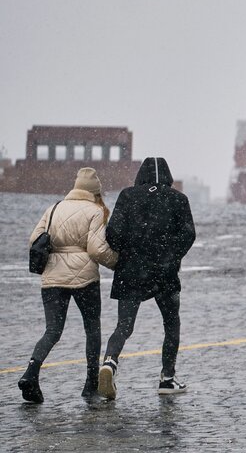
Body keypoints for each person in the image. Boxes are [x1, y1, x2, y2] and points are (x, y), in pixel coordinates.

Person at [18, 168, 119, 403]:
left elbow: (34, 240)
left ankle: (31, 372)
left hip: (52, 277)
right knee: (92, 330)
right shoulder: (95, 211)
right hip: (86, 279)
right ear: (95, 191)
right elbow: (96, 249)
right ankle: (90, 384)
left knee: (52, 331)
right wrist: (116, 263)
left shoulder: (54, 208)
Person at [98, 157, 195, 400]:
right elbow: (188, 235)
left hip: (131, 271)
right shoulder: (178, 199)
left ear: (140, 175)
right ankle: (167, 378)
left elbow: (113, 233)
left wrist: (128, 252)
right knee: (171, 324)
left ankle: (109, 362)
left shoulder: (128, 196)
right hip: (165, 273)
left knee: (124, 326)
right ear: (168, 176)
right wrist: (171, 256)